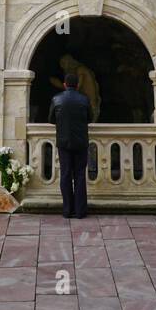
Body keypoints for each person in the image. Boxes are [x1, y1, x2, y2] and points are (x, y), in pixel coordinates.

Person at [48, 72, 91, 219]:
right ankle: (80, 211)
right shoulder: (84, 99)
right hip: (81, 143)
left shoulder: (56, 99)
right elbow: (90, 118)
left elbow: (51, 119)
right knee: (80, 176)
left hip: (64, 143)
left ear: (65, 84)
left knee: (65, 175)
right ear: (77, 85)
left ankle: (67, 210)